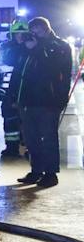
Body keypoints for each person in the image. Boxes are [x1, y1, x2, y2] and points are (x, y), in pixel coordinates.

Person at [14, 16, 73, 189]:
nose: (34, 35)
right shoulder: (29, 47)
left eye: (37, 31)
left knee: (48, 138)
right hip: (28, 100)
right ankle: (36, 170)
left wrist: (36, 48)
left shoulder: (60, 46)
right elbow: (18, 69)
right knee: (31, 139)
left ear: (46, 29)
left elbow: (54, 69)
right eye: (31, 32)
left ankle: (51, 173)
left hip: (49, 100)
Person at [0, 18, 29, 157]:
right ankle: (11, 147)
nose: (20, 35)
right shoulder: (6, 47)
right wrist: (0, 88)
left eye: (23, 33)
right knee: (10, 120)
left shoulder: (31, 46)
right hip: (9, 89)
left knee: (27, 121)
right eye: (17, 33)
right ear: (12, 34)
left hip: (26, 89)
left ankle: (29, 147)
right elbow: (3, 68)